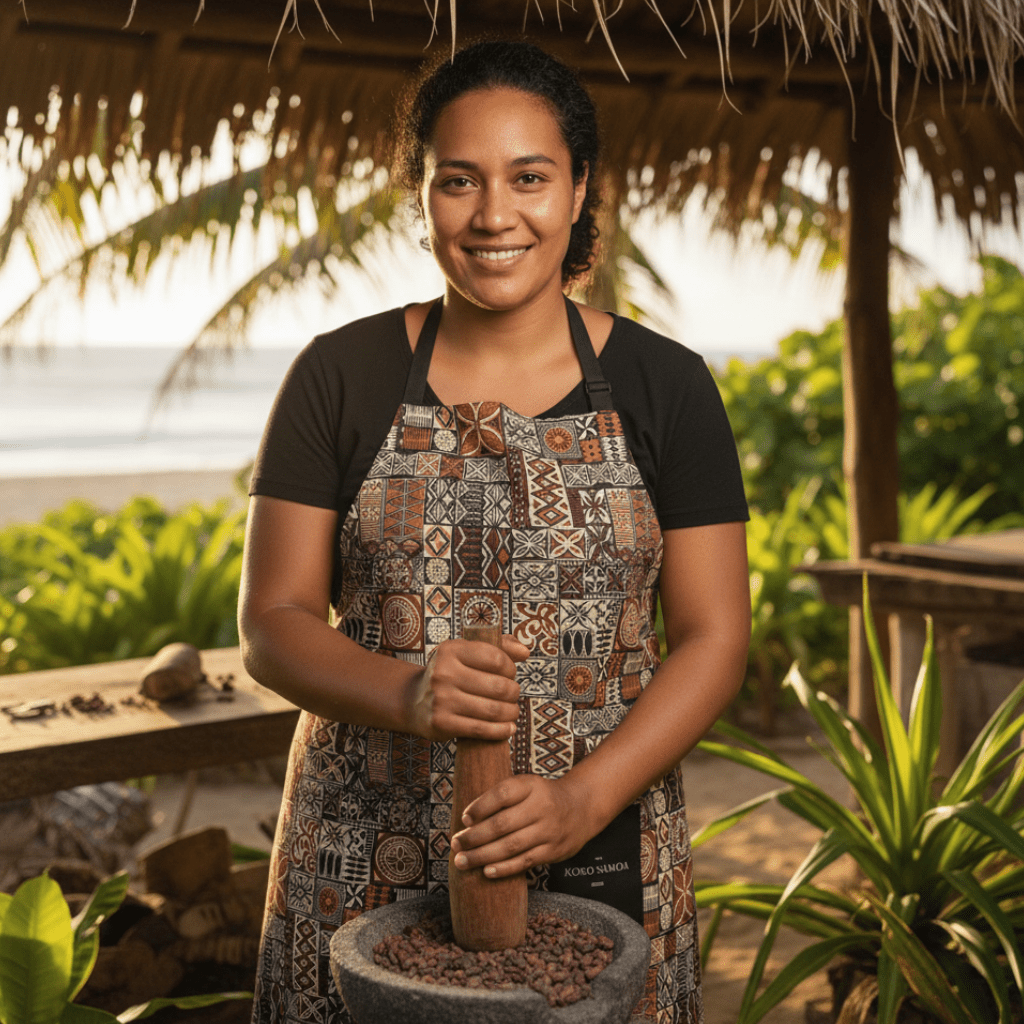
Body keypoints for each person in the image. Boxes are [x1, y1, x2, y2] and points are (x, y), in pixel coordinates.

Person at [241, 39, 750, 1024]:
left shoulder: (666, 386)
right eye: (457, 181)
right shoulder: (337, 375)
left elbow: (713, 637)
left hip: (600, 845)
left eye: (529, 177)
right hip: (360, 853)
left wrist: (584, 798)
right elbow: (273, 618)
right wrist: (410, 688)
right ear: (423, 195)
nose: (492, 215)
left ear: (579, 189)